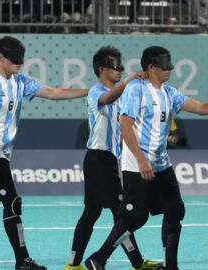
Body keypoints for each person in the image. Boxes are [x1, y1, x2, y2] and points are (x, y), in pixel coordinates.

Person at [0, 36, 88, 270]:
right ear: (0, 58)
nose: (18, 63)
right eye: (13, 59)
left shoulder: (20, 81)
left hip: (0, 154)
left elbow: (53, 92)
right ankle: (22, 260)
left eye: (20, 59)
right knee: (11, 203)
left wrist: (90, 91)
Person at [85, 46, 208, 270]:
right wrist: (141, 160)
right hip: (138, 166)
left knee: (175, 210)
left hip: (162, 164)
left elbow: (202, 108)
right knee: (135, 218)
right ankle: (97, 259)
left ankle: (170, 266)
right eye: (165, 67)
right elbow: (125, 127)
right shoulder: (136, 88)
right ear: (151, 67)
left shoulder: (170, 93)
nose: (169, 71)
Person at [63, 46, 162, 270]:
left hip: (106, 160)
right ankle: (136, 264)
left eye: (121, 65)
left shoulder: (122, 94)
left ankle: (72, 265)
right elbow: (107, 98)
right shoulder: (96, 92)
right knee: (123, 213)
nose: (119, 69)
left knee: (91, 213)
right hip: (98, 160)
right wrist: (127, 82)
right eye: (114, 65)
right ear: (100, 69)